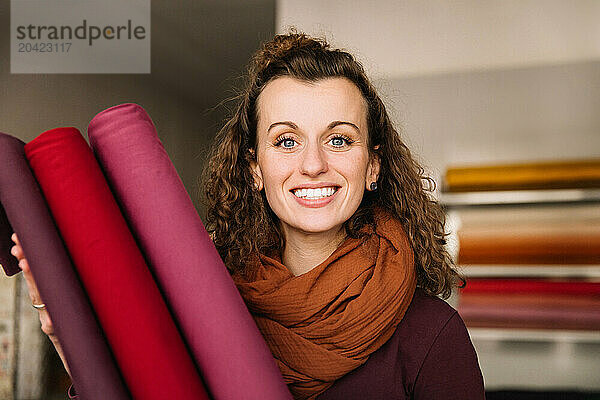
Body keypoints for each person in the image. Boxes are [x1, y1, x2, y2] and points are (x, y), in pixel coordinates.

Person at [11, 28, 485, 399]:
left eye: (339, 138)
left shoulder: (430, 336)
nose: (314, 164)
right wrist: (65, 335)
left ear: (373, 167)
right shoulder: (204, 310)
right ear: (255, 169)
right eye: (286, 140)